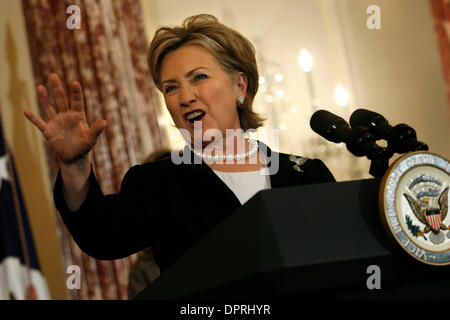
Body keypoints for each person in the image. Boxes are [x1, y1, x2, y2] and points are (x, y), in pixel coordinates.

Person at [23, 14, 335, 281]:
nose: (184, 97)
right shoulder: (157, 183)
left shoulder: (306, 174)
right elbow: (102, 237)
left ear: (240, 86)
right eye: (171, 87)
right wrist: (74, 165)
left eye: (198, 77)